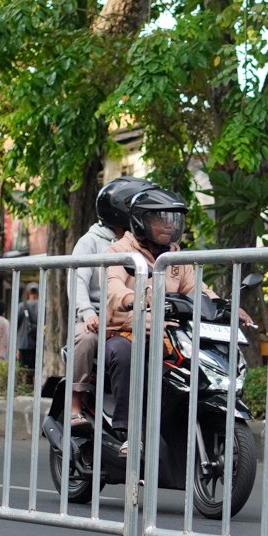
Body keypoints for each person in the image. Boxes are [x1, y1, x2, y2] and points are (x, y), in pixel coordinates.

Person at [101, 184, 204, 435]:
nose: (169, 225)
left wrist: (226, 306)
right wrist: (132, 298)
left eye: (173, 219)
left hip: (168, 334)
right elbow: (112, 285)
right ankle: (127, 430)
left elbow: (197, 289)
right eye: (161, 218)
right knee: (125, 353)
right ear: (141, 221)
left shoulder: (176, 258)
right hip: (125, 331)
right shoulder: (120, 251)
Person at [66, 176, 149, 423]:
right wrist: (87, 313)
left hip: (130, 316)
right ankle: (75, 403)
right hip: (96, 318)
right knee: (86, 338)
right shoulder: (90, 242)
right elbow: (77, 281)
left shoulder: (140, 242)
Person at [14, 283, 41, 378]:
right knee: (36, 370)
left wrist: (16, 347)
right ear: (38, 293)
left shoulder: (22, 306)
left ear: (28, 293)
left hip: (23, 345)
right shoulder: (43, 306)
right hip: (37, 344)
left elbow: (15, 325)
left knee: (23, 370)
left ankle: (24, 385)